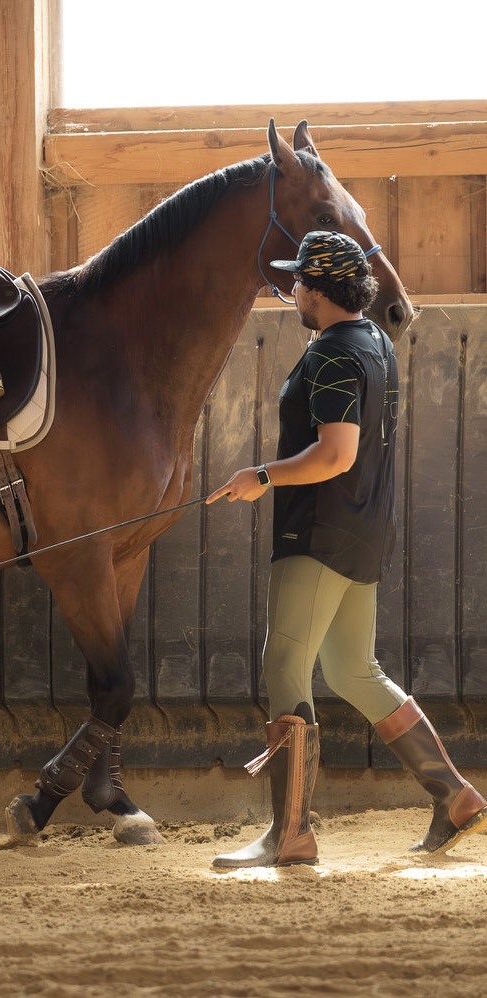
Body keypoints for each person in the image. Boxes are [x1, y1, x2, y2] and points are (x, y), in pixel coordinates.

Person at [206, 230, 487, 868]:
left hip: (318, 533)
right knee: (353, 670)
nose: (291, 290)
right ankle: (455, 798)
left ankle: (289, 834)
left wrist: (262, 476)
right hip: (363, 531)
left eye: (297, 280)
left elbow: (336, 454)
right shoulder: (376, 343)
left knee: (285, 664)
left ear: (319, 288)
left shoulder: (333, 353)